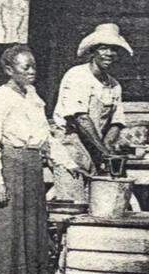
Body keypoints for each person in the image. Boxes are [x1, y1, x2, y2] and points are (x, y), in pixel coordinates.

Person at [0, 44, 83, 274]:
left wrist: (68, 162)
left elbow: (45, 138)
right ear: (9, 70)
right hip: (9, 167)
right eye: (25, 67)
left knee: (30, 226)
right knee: (5, 229)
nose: (32, 72)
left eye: (34, 66)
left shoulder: (32, 96)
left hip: (32, 169)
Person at [51, 23, 133, 202]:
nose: (109, 54)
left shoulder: (114, 85)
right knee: (72, 204)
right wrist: (105, 152)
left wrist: (108, 148)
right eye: (104, 48)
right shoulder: (77, 76)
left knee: (95, 204)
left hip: (95, 150)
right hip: (70, 147)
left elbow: (116, 122)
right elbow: (81, 119)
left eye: (114, 49)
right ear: (93, 51)